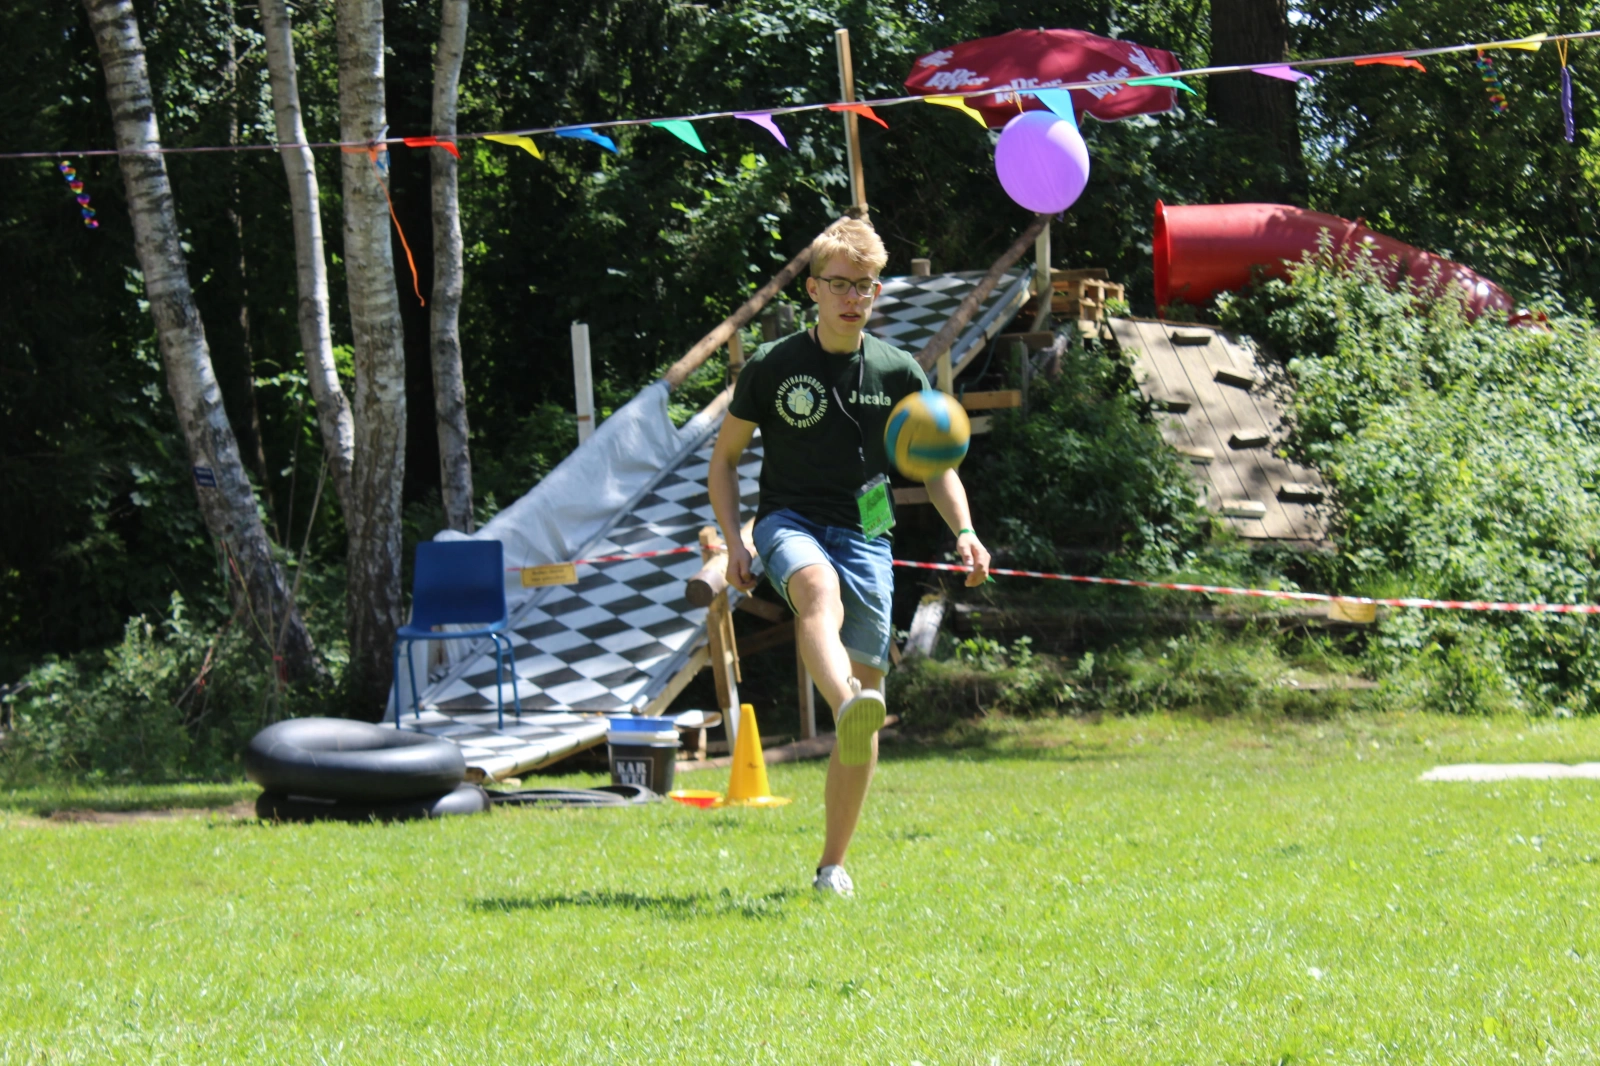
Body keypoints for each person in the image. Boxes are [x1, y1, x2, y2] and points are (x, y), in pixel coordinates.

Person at [707, 217, 991, 897]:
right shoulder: (775, 365)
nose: (851, 298)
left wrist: (966, 531)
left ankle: (831, 865)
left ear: (877, 292)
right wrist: (735, 535)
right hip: (789, 521)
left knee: (865, 724)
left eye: (863, 287)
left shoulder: (898, 370)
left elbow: (935, 464)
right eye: (839, 285)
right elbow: (724, 459)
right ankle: (844, 702)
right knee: (816, 591)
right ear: (813, 289)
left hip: (868, 534)